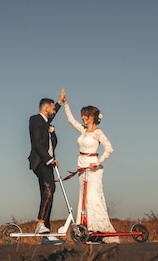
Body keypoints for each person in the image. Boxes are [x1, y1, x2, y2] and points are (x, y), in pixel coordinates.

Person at [63, 94, 120, 243]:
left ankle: (99, 230)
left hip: (94, 169)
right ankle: (86, 230)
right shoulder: (83, 131)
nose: (83, 118)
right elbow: (70, 120)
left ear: (93, 117)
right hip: (82, 169)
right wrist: (65, 103)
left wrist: (98, 161)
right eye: (82, 115)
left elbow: (109, 148)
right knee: (83, 199)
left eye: (85, 116)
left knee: (93, 197)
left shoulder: (98, 133)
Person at [28, 88, 65, 240]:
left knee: (48, 192)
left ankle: (46, 232)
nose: (54, 111)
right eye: (52, 108)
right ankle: (40, 224)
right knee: (50, 187)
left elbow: (50, 140)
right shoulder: (36, 119)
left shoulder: (46, 123)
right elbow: (37, 142)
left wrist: (59, 101)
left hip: (48, 162)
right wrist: (49, 158)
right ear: (46, 108)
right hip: (41, 161)